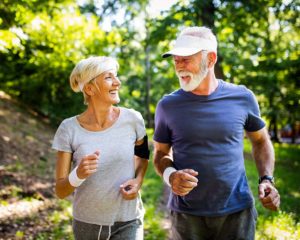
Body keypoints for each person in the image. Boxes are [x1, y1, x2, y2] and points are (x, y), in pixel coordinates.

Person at [153, 26, 280, 240]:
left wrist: (266, 179)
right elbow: (159, 154)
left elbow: (261, 141)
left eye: (185, 59)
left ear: (210, 59)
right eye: (175, 59)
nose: (178, 66)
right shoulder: (167, 105)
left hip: (237, 213)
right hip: (186, 216)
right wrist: (170, 175)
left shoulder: (242, 97)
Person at [52, 56, 149, 240]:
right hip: (87, 224)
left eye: (116, 76)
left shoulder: (133, 119)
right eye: (109, 77)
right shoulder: (68, 128)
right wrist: (78, 174)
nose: (118, 82)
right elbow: (60, 190)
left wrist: (139, 180)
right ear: (89, 88)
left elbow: (143, 154)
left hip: (129, 220)